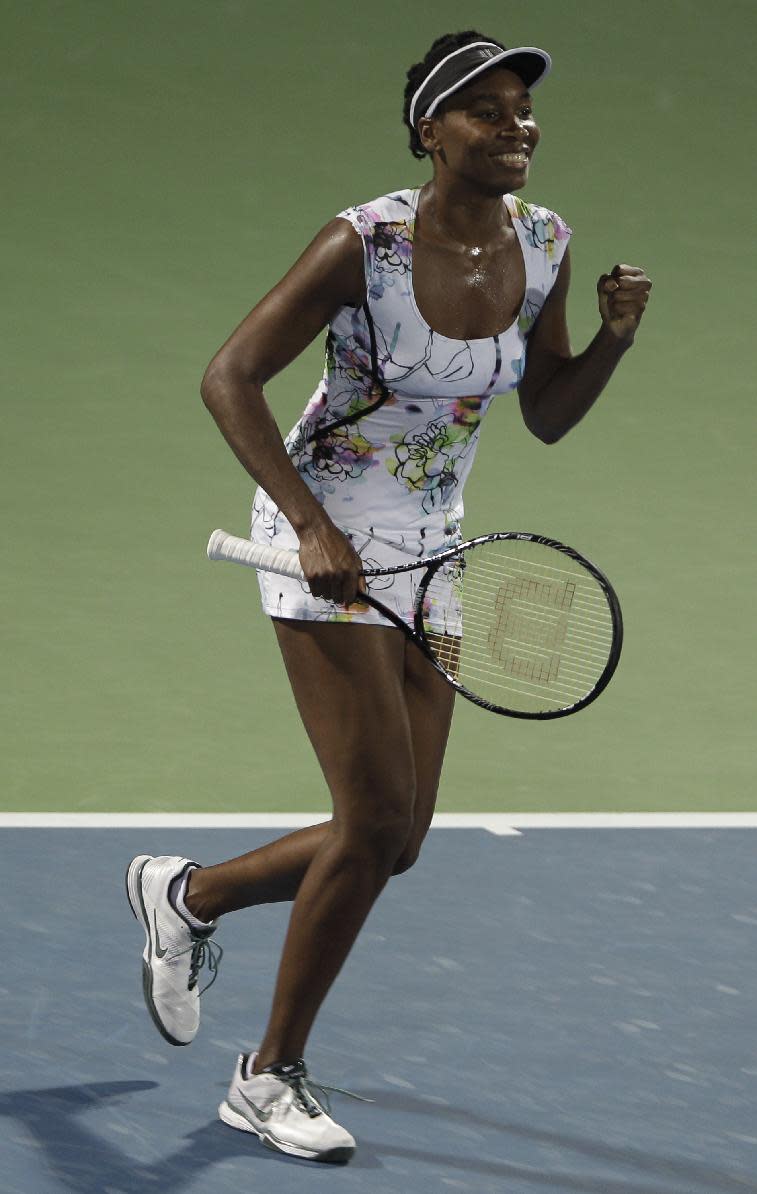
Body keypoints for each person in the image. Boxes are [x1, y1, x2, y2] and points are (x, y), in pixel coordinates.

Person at [127, 30, 651, 1164]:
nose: (520, 126)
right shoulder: (363, 242)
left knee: (398, 839)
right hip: (321, 541)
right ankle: (267, 1077)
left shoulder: (547, 243)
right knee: (369, 822)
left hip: (436, 548)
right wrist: (312, 526)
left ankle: (190, 897)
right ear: (431, 129)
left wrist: (609, 340)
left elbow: (546, 412)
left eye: (525, 110)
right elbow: (230, 377)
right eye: (490, 109)